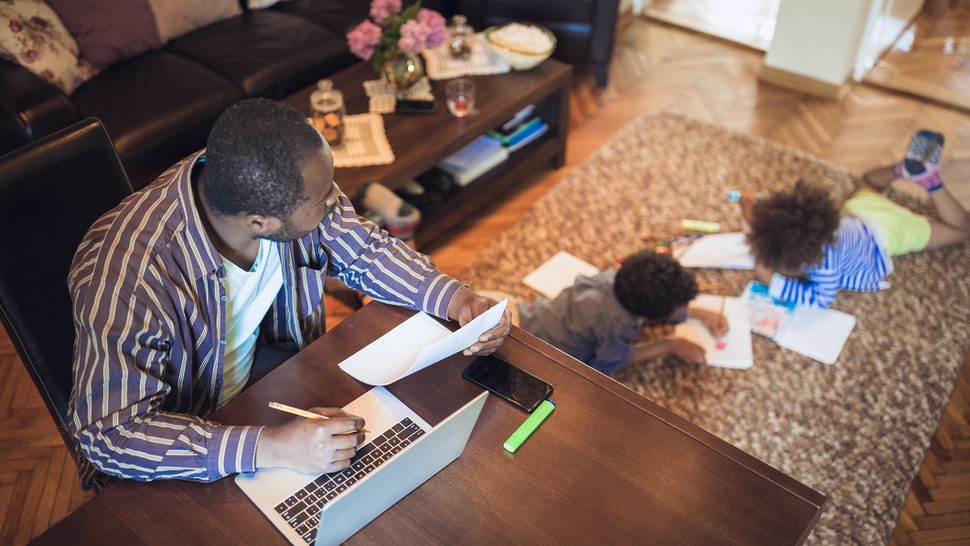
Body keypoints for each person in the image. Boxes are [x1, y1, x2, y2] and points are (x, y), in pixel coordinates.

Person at [67, 98, 511, 490]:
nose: (335, 200)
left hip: (276, 381)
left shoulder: (263, 180)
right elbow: (109, 435)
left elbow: (366, 253)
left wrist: (456, 299)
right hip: (190, 441)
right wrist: (273, 447)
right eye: (320, 201)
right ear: (259, 222)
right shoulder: (128, 273)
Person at [738, 129, 969, 308]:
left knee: (960, 229)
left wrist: (773, 281)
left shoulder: (823, 265)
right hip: (861, 210)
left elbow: (820, 299)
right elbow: (762, 223)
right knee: (868, 182)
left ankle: (930, 181)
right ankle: (903, 171)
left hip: (889, 232)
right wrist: (748, 205)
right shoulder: (804, 226)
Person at [499, 250, 728, 373]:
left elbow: (650, 302)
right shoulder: (617, 325)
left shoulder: (612, 278)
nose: (682, 310)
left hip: (521, 312)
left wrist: (696, 313)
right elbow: (612, 362)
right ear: (648, 316)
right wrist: (668, 343)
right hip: (529, 351)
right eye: (677, 308)